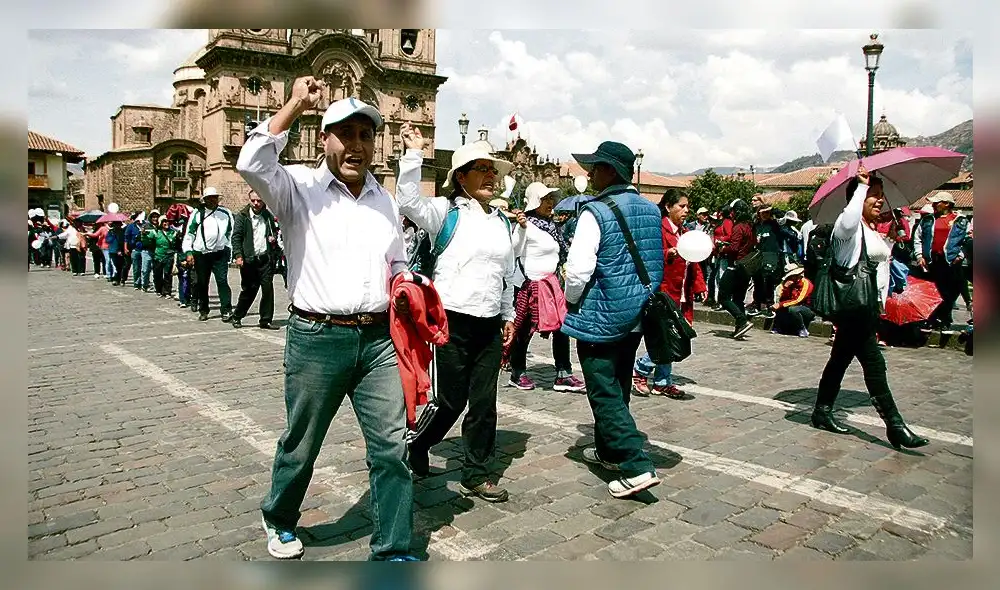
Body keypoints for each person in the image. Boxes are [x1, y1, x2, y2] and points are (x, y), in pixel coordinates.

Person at [237, 77, 418, 561]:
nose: (356, 145)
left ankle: (393, 548)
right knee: (303, 442)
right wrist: (296, 102)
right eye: (345, 133)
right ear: (325, 139)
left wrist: (406, 285)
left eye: (365, 135)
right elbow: (250, 162)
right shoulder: (297, 187)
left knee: (391, 448)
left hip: (378, 339)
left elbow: (396, 260)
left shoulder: (385, 199)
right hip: (317, 337)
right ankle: (278, 517)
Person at [395, 124, 518, 503]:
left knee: (484, 403)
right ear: (460, 177)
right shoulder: (444, 212)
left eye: (492, 170)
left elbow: (507, 274)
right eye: (481, 169)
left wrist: (507, 314)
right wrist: (414, 154)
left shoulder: (502, 223)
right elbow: (408, 202)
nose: (490, 177)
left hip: (488, 324)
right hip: (448, 322)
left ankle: (476, 472)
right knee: (449, 401)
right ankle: (417, 443)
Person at [561, 140, 664, 499]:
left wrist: (571, 302)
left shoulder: (596, 211)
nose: (589, 173)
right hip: (636, 315)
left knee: (603, 390)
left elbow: (577, 271)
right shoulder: (651, 211)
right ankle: (608, 452)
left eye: (596, 167)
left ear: (611, 171)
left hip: (602, 313)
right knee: (619, 384)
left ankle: (635, 464)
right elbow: (656, 262)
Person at [811, 166, 929, 451]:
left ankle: (822, 411)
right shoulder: (847, 228)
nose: (879, 200)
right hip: (854, 309)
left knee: (839, 359)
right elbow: (848, 221)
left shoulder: (870, 229)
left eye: (881, 195)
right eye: (873, 196)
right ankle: (895, 425)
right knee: (875, 365)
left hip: (867, 308)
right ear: (858, 199)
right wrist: (861, 186)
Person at [505, 182, 586, 393]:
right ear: (534, 201)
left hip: (551, 283)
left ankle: (563, 373)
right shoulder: (526, 225)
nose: (550, 203)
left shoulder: (552, 225)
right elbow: (514, 251)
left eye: (551, 199)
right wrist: (521, 229)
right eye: (545, 199)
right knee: (525, 330)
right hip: (531, 285)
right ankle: (518, 371)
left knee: (561, 327)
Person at [633, 188, 706, 399]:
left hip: (682, 293)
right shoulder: (659, 229)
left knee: (674, 336)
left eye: (687, 207)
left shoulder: (684, 232)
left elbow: (695, 263)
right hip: (664, 294)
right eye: (681, 206)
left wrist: (700, 287)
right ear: (668, 207)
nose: (686, 210)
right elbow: (649, 256)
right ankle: (642, 368)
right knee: (666, 338)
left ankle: (662, 382)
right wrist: (668, 254)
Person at [913, 191, 970, 332]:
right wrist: (919, 255)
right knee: (933, 291)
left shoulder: (960, 220)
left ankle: (945, 320)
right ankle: (931, 320)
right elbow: (918, 238)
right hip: (932, 261)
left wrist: (961, 255)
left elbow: (968, 240)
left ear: (947, 204)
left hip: (951, 261)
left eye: (937, 202)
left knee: (948, 293)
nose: (934, 205)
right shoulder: (927, 220)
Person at [229, 189, 281, 330]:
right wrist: (238, 255)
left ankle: (265, 319)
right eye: (253, 201)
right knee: (249, 290)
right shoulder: (242, 216)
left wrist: (272, 239)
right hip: (249, 260)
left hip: (265, 259)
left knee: (267, 289)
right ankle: (237, 316)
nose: (256, 203)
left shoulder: (267, 216)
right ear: (249, 200)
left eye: (259, 200)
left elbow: (274, 233)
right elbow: (236, 237)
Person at [182, 187, 235, 322]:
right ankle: (203, 309)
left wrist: (230, 250)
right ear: (204, 200)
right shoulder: (197, 214)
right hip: (202, 254)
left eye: (214, 197)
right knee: (202, 282)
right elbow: (190, 233)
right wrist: (188, 251)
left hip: (220, 253)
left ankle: (226, 309)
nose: (212, 200)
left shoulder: (225, 213)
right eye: (209, 198)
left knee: (222, 281)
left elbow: (231, 232)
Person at [717, 199, 758, 338]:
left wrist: (723, 248)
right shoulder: (750, 227)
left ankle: (742, 320)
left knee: (723, 296)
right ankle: (740, 327)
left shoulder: (738, 227)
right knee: (738, 298)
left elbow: (734, 248)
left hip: (735, 265)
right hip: (747, 267)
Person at [771, 263, 814, 337]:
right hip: (791, 305)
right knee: (782, 308)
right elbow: (781, 299)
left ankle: (802, 329)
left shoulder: (806, 283)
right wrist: (785, 288)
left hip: (806, 308)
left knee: (792, 309)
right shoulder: (787, 283)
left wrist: (780, 305)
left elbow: (798, 300)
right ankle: (778, 327)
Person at [149, 215, 178, 298]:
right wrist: (143, 235)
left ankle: (167, 291)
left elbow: (176, 244)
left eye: (168, 221)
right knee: (157, 274)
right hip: (158, 256)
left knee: (168, 274)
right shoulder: (156, 232)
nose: (166, 223)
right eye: (164, 221)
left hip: (169, 256)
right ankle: (159, 290)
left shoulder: (173, 232)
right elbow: (147, 240)